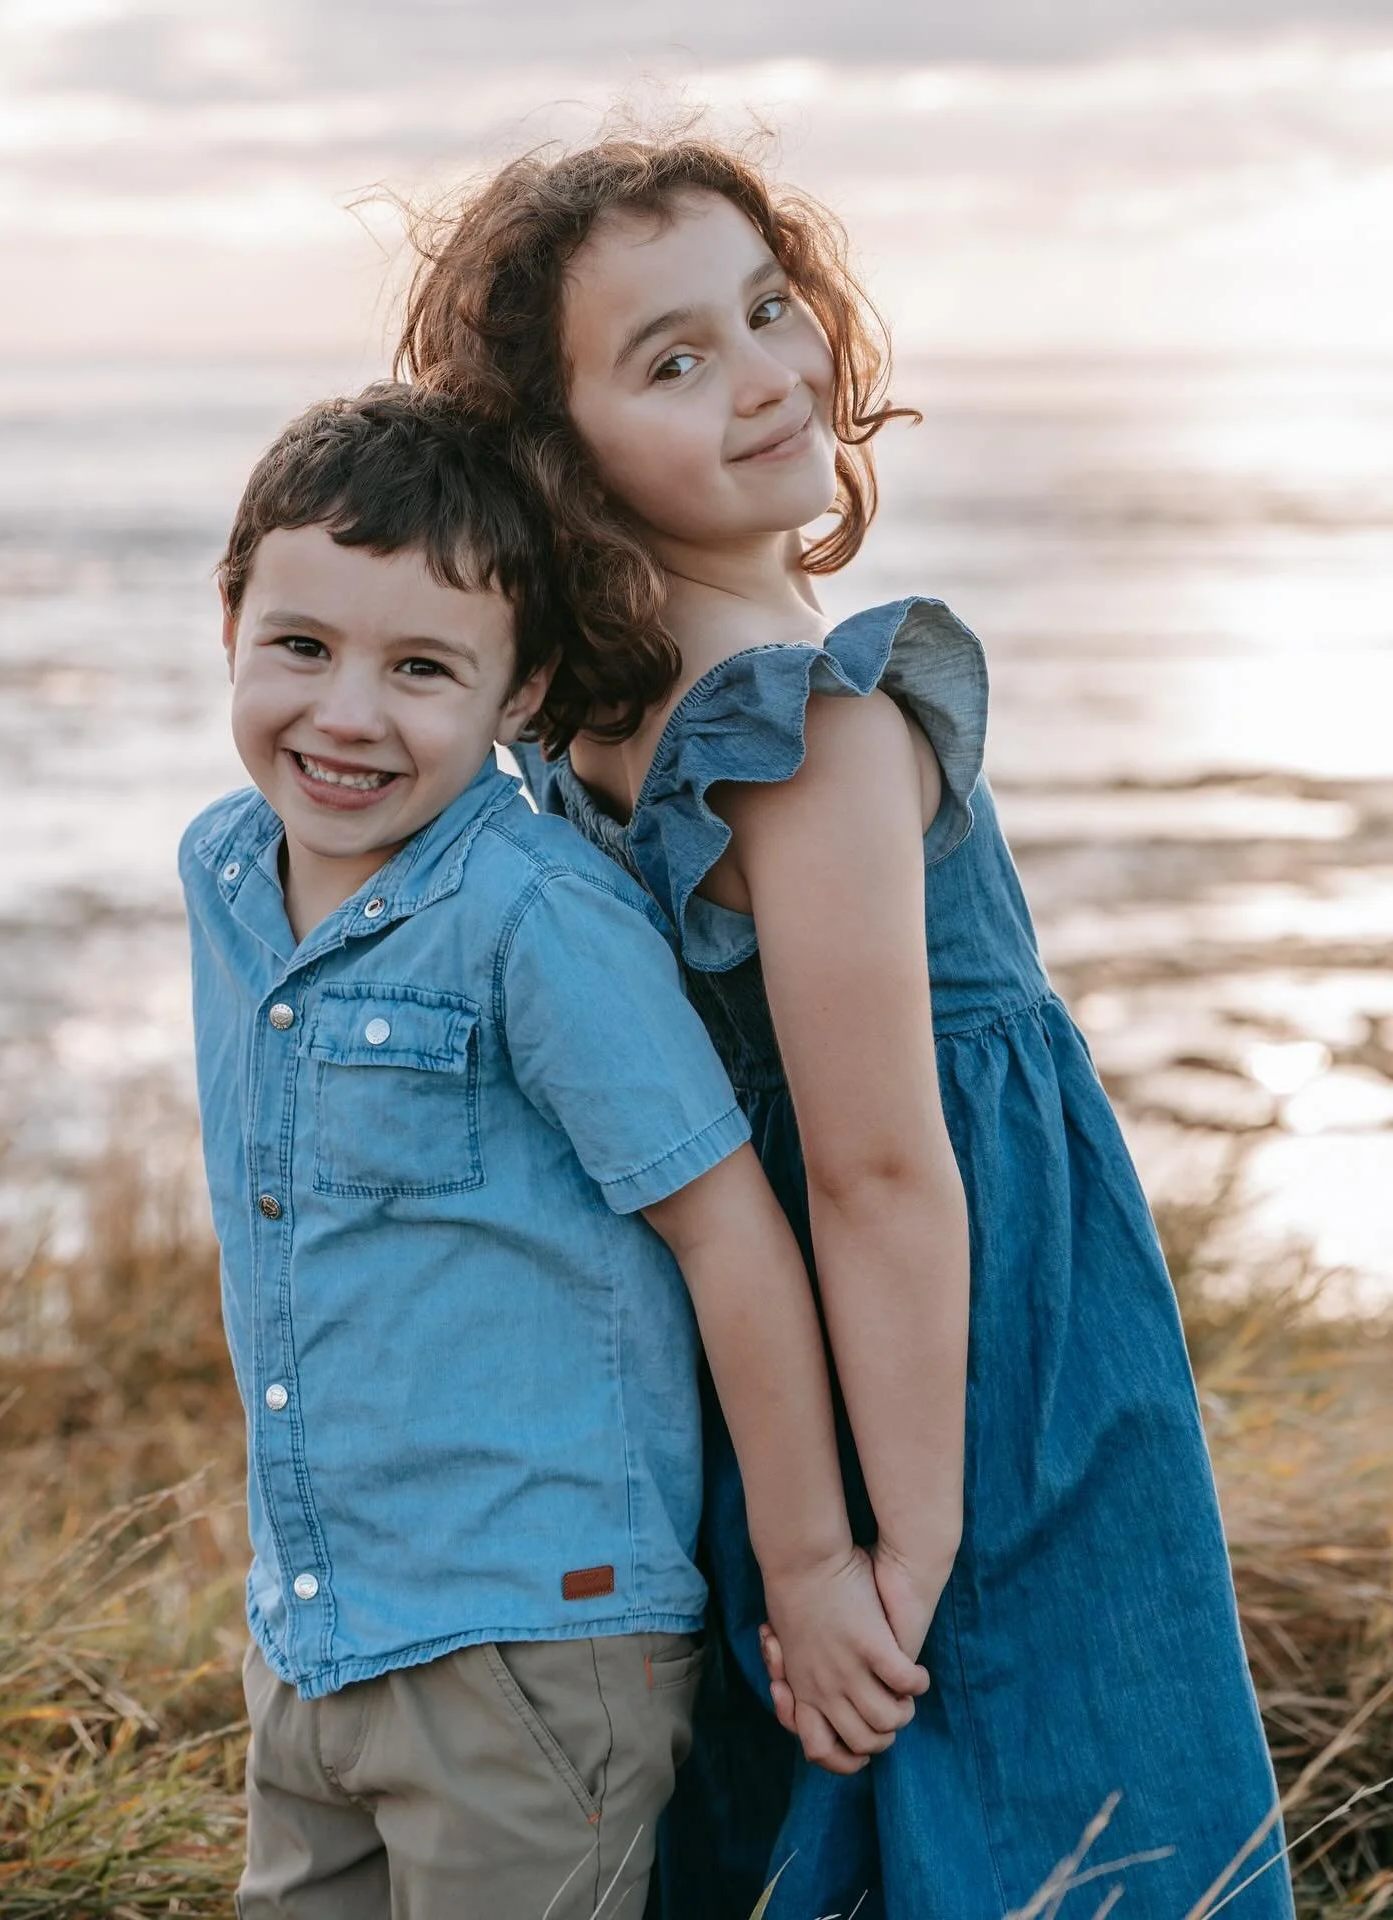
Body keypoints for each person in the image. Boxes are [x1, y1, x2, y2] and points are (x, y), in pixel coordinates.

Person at [395, 140, 1297, 1920]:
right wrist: (919, 1537)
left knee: (825, 1822)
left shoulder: (595, 741)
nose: (764, 371)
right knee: (1077, 1760)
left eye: (765, 305)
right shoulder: (810, 728)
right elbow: (883, 1166)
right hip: (976, 1356)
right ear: (564, 465)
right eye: (673, 360)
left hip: (778, 1377)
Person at [179, 382, 928, 1920]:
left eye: (424, 669)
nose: (346, 714)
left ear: (519, 700)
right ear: (232, 622)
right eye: (304, 647)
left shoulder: (536, 923)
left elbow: (727, 1236)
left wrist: (807, 1569)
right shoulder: (226, 871)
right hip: (317, 1620)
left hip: (536, 1642)